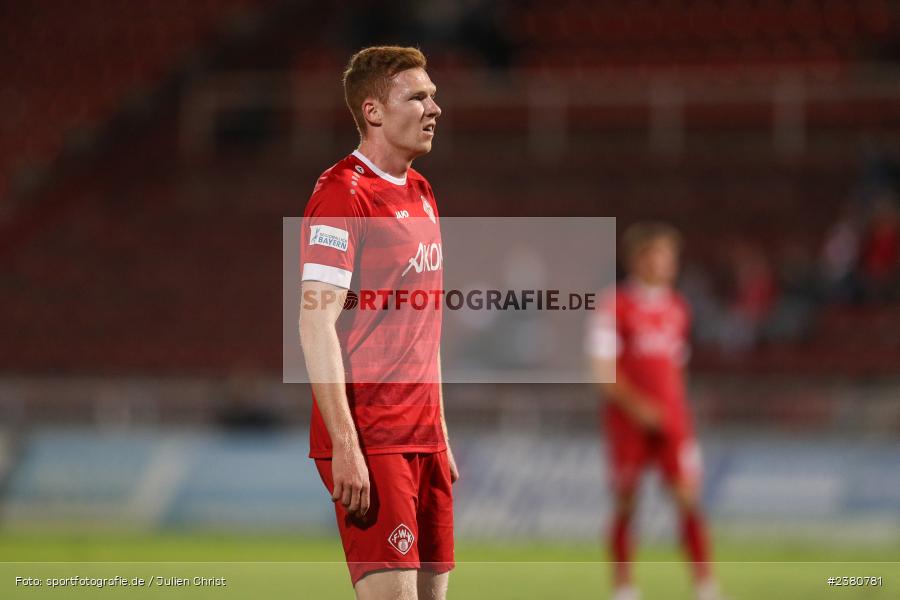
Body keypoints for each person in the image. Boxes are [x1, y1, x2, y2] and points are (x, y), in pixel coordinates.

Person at [298, 46, 457, 600]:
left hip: (423, 435)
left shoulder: (422, 192)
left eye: (433, 95)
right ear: (373, 112)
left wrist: (439, 429)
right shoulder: (342, 194)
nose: (434, 107)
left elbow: (423, 316)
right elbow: (314, 323)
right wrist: (344, 441)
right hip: (372, 435)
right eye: (418, 96)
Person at [586, 222, 724, 600]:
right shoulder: (614, 305)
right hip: (628, 421)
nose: (667, 262)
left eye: (670, 255)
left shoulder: (678, 308)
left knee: (688, 499)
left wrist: (679, 413)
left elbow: (676, 370)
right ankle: (624, 588)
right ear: (639, 258)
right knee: (627, 501)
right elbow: (603, 372)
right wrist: (640, 408)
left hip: (672, 420)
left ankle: (705, 586)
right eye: (659, 254)